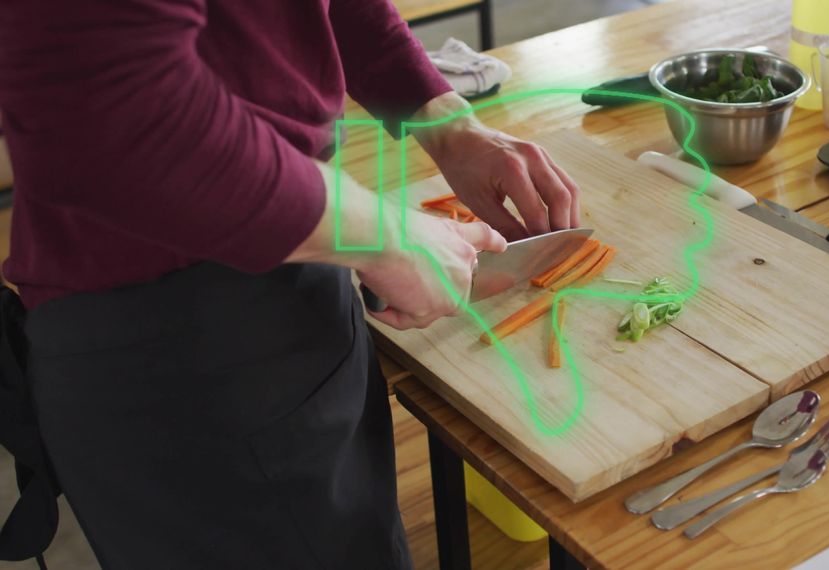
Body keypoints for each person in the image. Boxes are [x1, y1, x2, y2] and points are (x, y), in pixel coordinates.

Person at [0, 1, 579, 568]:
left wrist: (452, 127)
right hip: (183, 341)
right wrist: (388, 237)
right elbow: (110, 117)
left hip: (287, 256)